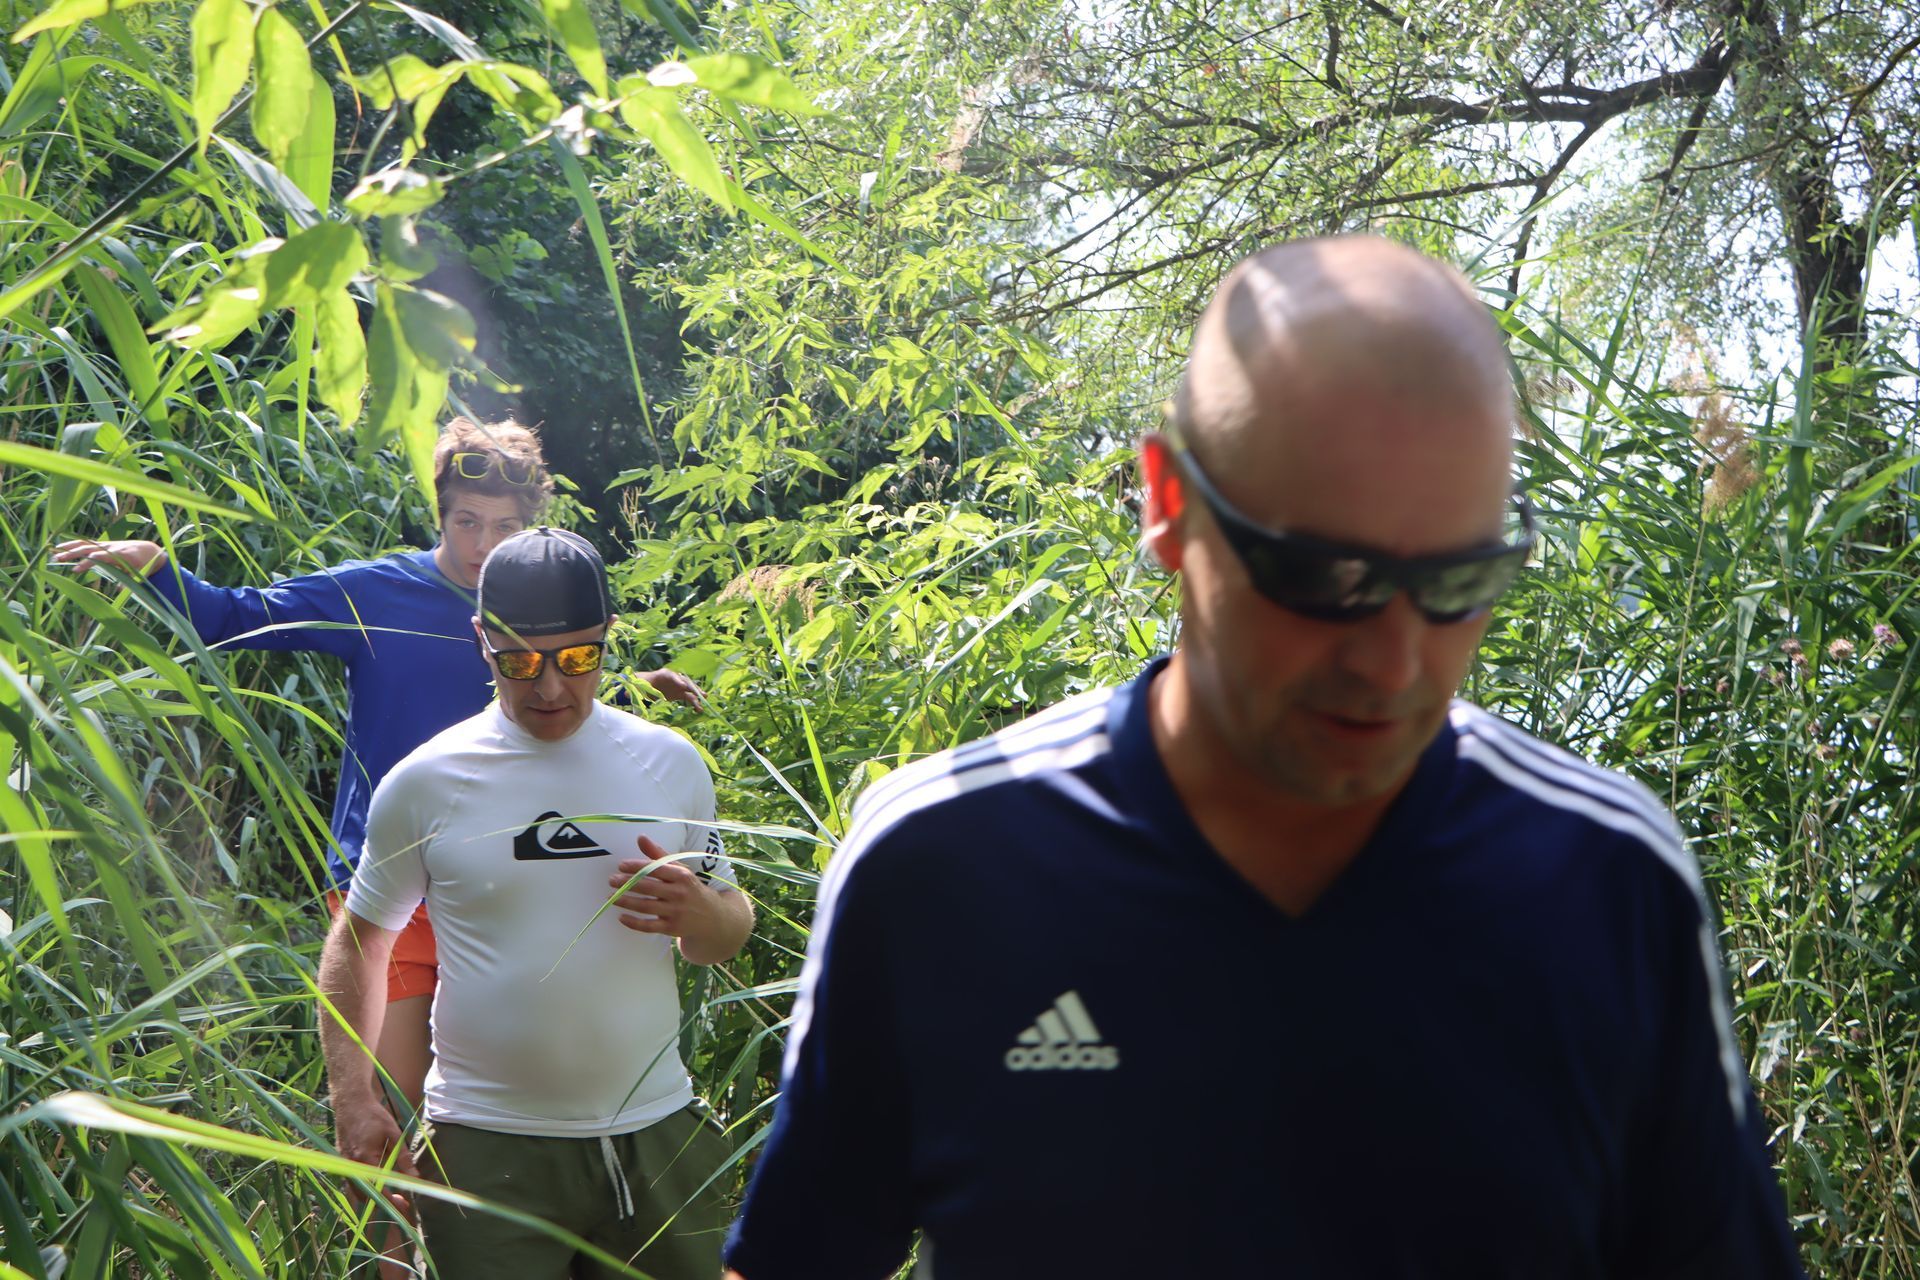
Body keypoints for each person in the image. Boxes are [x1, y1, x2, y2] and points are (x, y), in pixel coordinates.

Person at [721, 237, 1805, 1278]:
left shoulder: (1605, 880)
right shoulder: (940, 866)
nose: (1394, 661)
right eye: (1325, 576)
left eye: (1462, 580)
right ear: (1166, 504)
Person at [55, 417, 701, 1113]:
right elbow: (236, 618)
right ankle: (391, 1224)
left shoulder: (541, 612)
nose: (483, 546)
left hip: (504, 878)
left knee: (497, 1110)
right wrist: (155, 564)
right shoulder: (376, 592)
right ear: (441, 513)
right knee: (397, 1111)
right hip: (396, 884)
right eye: (466, 522)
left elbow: (555, 680)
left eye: (505, 527)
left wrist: (633, 684)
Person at [319, 525, 754, 1279]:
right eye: (519, 661)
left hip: (654, 1131)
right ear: (481, 640)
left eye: (578, 659)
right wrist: (352, 1097)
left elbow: (725, 928)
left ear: (608, 640)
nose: (550, 688)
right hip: (486, 1144)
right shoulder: (426, 782)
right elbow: (360, 941)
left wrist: (705, 916)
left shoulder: (668, 764)